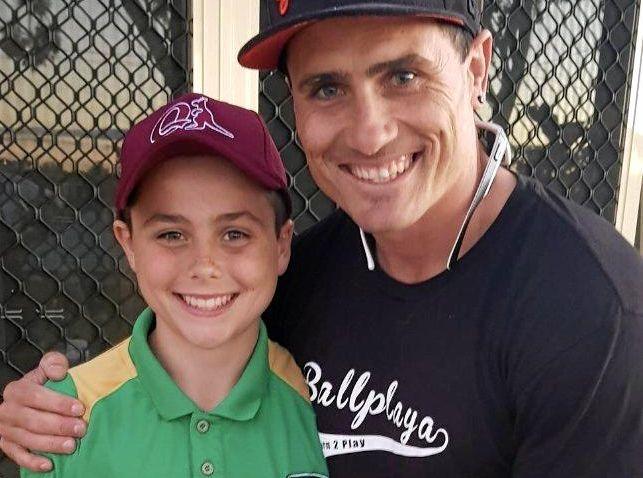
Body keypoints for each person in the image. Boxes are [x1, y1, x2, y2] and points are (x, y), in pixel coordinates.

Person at [2, 1, 643, 476]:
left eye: (403, 76)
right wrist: (49, 410)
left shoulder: (591, 311)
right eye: (328, 87)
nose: (368, 134)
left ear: (476, 68)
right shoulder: (299, 278)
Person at [17, 93, 329, 477]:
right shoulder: (64, 416)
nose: (205, 266)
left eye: (234, 233)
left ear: (281, 245)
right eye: (171, 235)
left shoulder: (323, 400)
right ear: (128, 244)